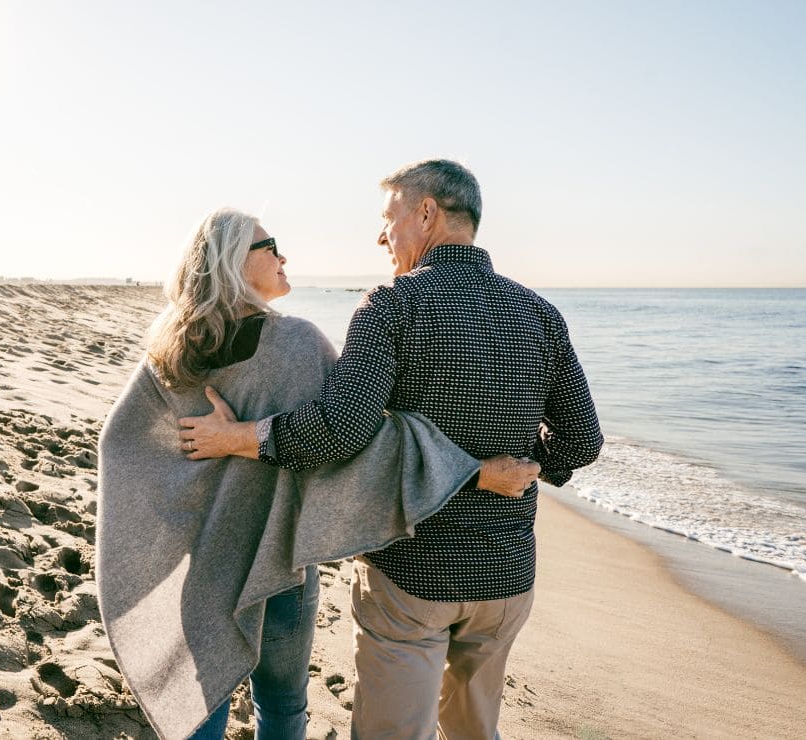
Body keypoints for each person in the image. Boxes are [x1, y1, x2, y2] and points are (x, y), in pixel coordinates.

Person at [178, 161, 603, 739]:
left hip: (413, 574)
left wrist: (240, 438)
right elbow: (583, 441)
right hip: (507, 575)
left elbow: (340, 431)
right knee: (476, 731)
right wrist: (530, 468)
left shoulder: (392, 306)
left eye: (389, 217)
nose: (383, 235)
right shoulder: (539, 314)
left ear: (426, 213)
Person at [97, 207, 539, 740]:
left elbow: (120, 446)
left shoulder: (169, 349)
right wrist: (474, 473)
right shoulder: (297, 343)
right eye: (270, 246)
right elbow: (361, 441)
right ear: (234, 262)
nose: (283, 256)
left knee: (201, 702)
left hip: (204, 560)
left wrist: (187, 498)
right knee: (282, 706)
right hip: (278, 558)